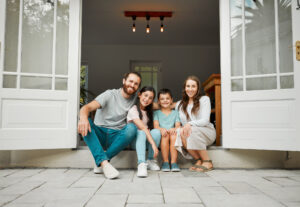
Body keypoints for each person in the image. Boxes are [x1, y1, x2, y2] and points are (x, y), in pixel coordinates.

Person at [78, 72, 141, 179]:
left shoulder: (135, 98)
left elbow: (154, 104)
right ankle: (104, 164)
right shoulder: (109, 94)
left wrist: (176, 104)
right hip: (100, 134)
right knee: (84, 120)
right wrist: (83, 118)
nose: (132, 85)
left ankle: (101, 160)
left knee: (132, 128)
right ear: (124, 81)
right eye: (130, 81)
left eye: (136, 84)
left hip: (116, 137)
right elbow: (86, 108)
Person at [175, 76, 216, 172]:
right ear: (184, 88)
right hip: (190, 133)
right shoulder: (179, 104)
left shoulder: (204, 99)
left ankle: (207, 161)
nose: (190, 89)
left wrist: (189, 124)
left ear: (198, 88)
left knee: (191, 129)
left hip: (207, 132)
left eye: (193, 86)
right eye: (188, 86)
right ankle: (198, 160)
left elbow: (205, 120)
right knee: (180, 132)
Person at [127, 86, 161, 177]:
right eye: (145, 95)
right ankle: (141, 164)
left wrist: (178, 103)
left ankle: (150, 160)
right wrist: (153, 144)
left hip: (146, 141)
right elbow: (143, 128)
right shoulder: (133, 109)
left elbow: (163, 104)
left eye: (150, 98)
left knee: (156, 132)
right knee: (141, 132)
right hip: (135, 141)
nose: (147, 99)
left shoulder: (149, 111)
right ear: (139, 95)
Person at [154, 88, 181, 172]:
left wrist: (174, 128)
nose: (165, 100)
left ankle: (174, 162)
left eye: (167, 98)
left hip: (172, 134)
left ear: (171, 100)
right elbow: (156, 126)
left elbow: (178, 126)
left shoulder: (176, 113)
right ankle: (165, 162)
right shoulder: (156, 113)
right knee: (165, 136)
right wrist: (161, 129)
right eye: (162, 99)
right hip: (163, 136)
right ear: (158, 101)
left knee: (173, 135)